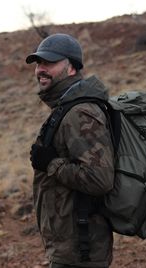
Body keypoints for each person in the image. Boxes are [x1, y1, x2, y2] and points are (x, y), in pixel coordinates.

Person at [26, 33, 114, 268]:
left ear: (72, 68)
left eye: (49, 63)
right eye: (38, 63)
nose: (40, 69)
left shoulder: (80, 113)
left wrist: (51, 164)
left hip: (81, 249)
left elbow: (100, 179)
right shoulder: (67, 106)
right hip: (71, 244)